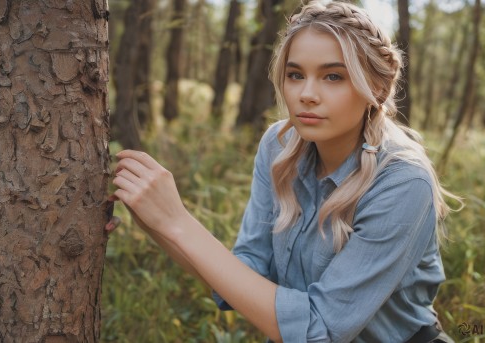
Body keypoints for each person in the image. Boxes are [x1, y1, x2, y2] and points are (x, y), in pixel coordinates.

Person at [106, 2, 460, 342]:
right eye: (295, 75)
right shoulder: (278, 146)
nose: (306, 94)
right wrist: (157, 221)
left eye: (333, 76)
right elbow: (246, 274)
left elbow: (319, 330)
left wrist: (177, 222)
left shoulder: (402, 182)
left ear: (378, 88)